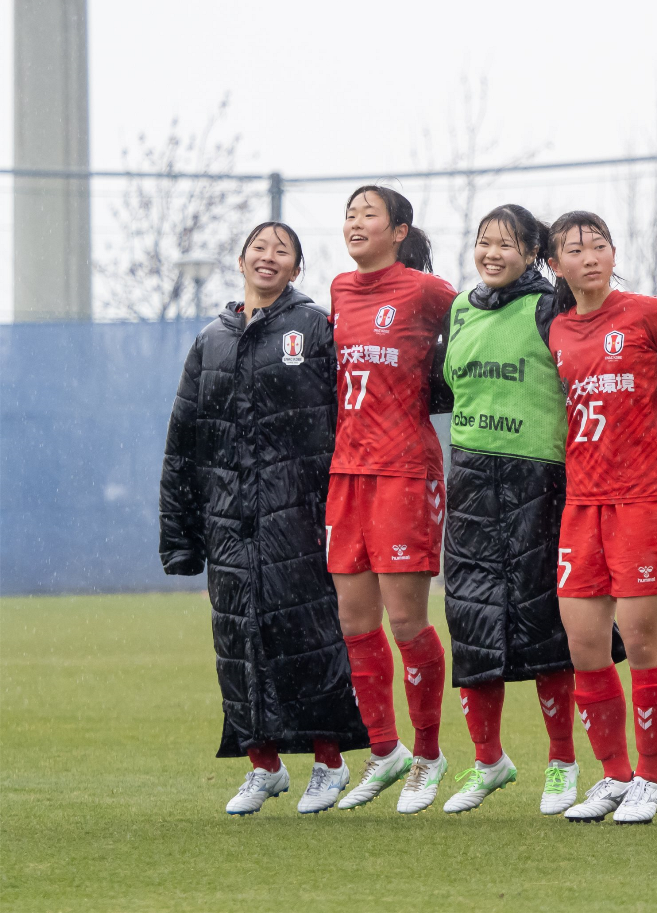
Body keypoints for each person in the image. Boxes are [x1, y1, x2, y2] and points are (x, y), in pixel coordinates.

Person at [160, 221, 368, 816]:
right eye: (259, 248)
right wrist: (180, 536)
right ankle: (263, 765)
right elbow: (183, 441)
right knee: (237, 643)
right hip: (229, 523)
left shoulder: (314, 328)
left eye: (283, 251)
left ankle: (329, 762)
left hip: (299, 517)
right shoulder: (210, 340)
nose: (269, 257)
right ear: (241, 260)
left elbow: (344, 422)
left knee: (307, 639)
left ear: (297, 269)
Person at [440, 205, 624, 817]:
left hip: (539, 482)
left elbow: (601, 343)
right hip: (469, 479)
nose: (493, 253)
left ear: (532, 254)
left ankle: (562, 765)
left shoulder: (550, 308)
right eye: (484, 242)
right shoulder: (461, 309)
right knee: (471, 626)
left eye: (507, 244)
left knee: (550, 632)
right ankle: (488, 761)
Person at [327, 187, 457, 815]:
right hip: (346, 473)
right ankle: (387, 751)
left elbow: (473, 338)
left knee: (406, 622)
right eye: (349, 216)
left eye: (367, 215)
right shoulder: (338, 291)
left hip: (405, 469)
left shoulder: (427, 293)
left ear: (400, 230)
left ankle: (429, 756)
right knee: (355, 622)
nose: (355, 224)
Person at [545, 211, 657, 824]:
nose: (590, 255)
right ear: (556, 266)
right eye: (574, 249)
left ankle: (651, 778)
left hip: (644, 497)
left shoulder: (649, 314)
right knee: (584, 645)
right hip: (581, 503)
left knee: (643, 638)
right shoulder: (556, 331)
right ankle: (614, 775)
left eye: (599, 245)